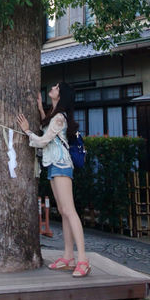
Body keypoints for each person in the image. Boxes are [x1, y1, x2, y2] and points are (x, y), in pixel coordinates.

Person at [17, 81, 90, 277]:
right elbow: (48, 129)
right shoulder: (55, 115)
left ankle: (82, 259)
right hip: (54, 165)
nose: (53, 88)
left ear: (61, 95)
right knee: (64, 212)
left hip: (61, 165)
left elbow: (43, 140)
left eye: (56, 88)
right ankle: (68, 256)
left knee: (69, 211)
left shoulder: (59, 117)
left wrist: (27, 131)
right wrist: (41, 109)